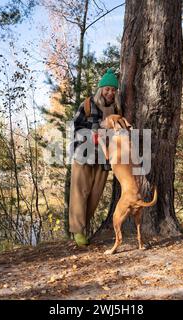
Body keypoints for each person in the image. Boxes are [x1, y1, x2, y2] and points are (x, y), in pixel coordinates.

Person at [69, 68, 122, 246]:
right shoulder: (87, 104)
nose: (110, 92)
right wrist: (97, 130)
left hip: (103, 158)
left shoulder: (116, 108)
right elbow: (76, 127)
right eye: (107, 89)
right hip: (84, 155)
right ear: (101, 89)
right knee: (80, 193)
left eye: (113, 90)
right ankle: (77, 231)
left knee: (95, 195)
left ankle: (83, 226)